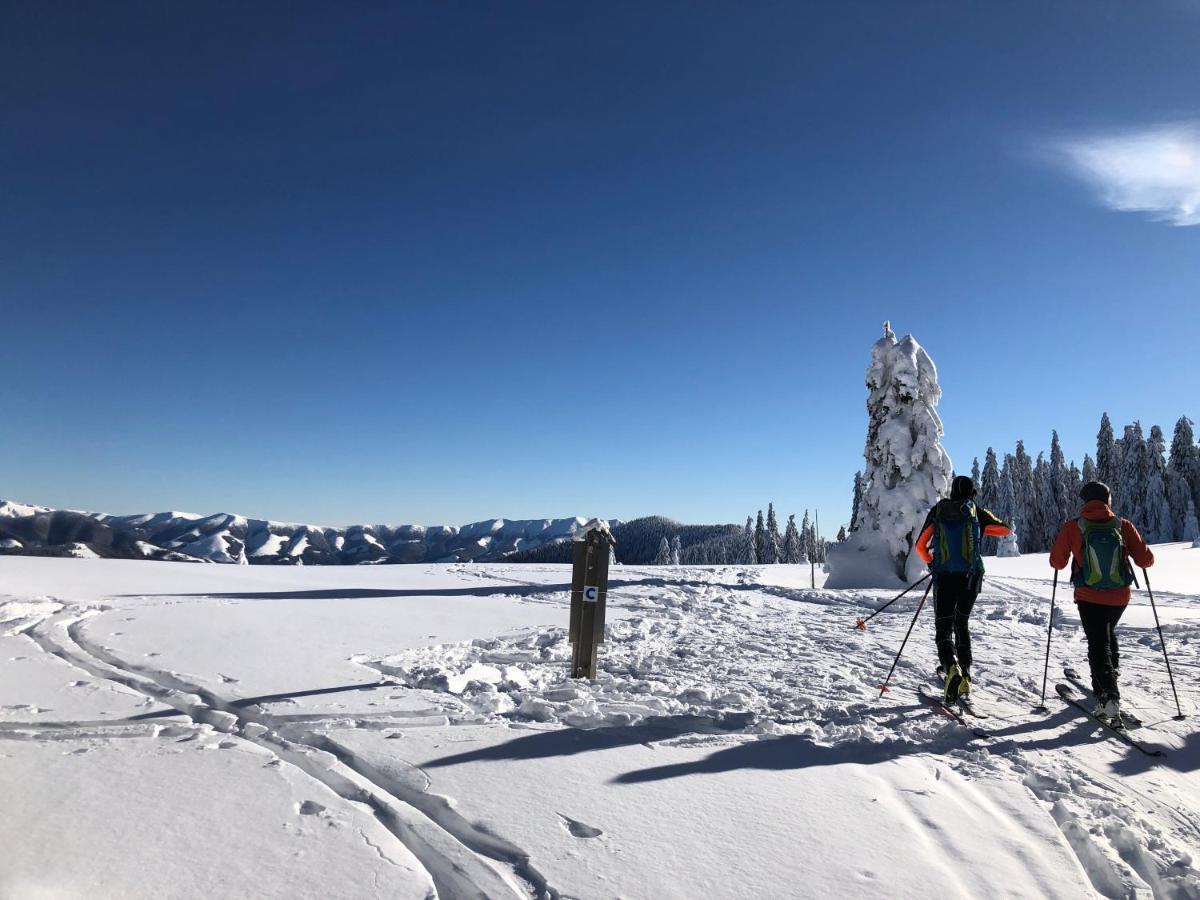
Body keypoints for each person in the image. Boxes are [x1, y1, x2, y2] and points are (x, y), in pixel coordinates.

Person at [1050, 481, 1154, 722]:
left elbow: (1057, 562)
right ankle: (1110, 675)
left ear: (1085, 502)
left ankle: (1108, 696)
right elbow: (1146, 560)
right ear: (1108, 500)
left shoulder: (1073, 527)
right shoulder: (1123, 525)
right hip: (1119, 596)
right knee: (1107, 634)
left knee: (1098, 644)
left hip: (1088, 595)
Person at [914, 475, 1012, 701]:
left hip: (945, 577)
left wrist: (932, 563)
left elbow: (920, 546)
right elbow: (1005, 530)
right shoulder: (975, 511)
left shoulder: (939, 510)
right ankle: (966, 675)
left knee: (943, 627)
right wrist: (979, 529)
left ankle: (951, 669)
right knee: (961, 624)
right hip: (970, 577)